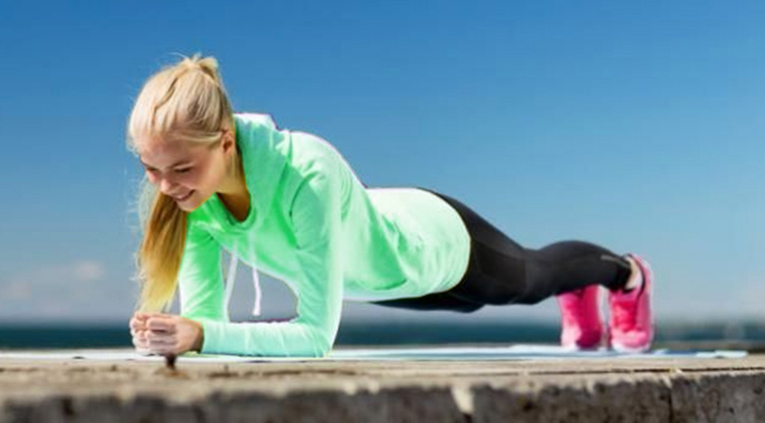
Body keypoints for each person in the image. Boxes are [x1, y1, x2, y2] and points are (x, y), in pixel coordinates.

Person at [127, 54, 654, 358]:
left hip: (433, 243)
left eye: (181, 169)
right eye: (153, 169)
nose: (166, 186)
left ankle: (625, 276)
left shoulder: (306, 170)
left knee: (528, 280)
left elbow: (315, 337)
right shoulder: (194, 202)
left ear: (224, 141)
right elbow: (203, 323)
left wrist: (199, 335)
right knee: (473, 305)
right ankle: (577, 286)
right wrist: (175, 334)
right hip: (382, 283)